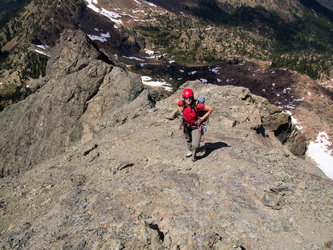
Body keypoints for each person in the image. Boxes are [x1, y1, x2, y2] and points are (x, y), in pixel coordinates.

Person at [175, 88, 214, 162]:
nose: (188, 99)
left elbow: (210, 109)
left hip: (196, 126)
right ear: (184, 98)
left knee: (195, 145)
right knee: (188, 139)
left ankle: (194, 156)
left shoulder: (198, 105)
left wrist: (201, 119)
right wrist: (180, 111)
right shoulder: (183, 103)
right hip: (186, 124)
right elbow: (176, 101)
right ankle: (190, 150)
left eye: (190, 97)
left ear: (192, 97)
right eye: (186, 98)